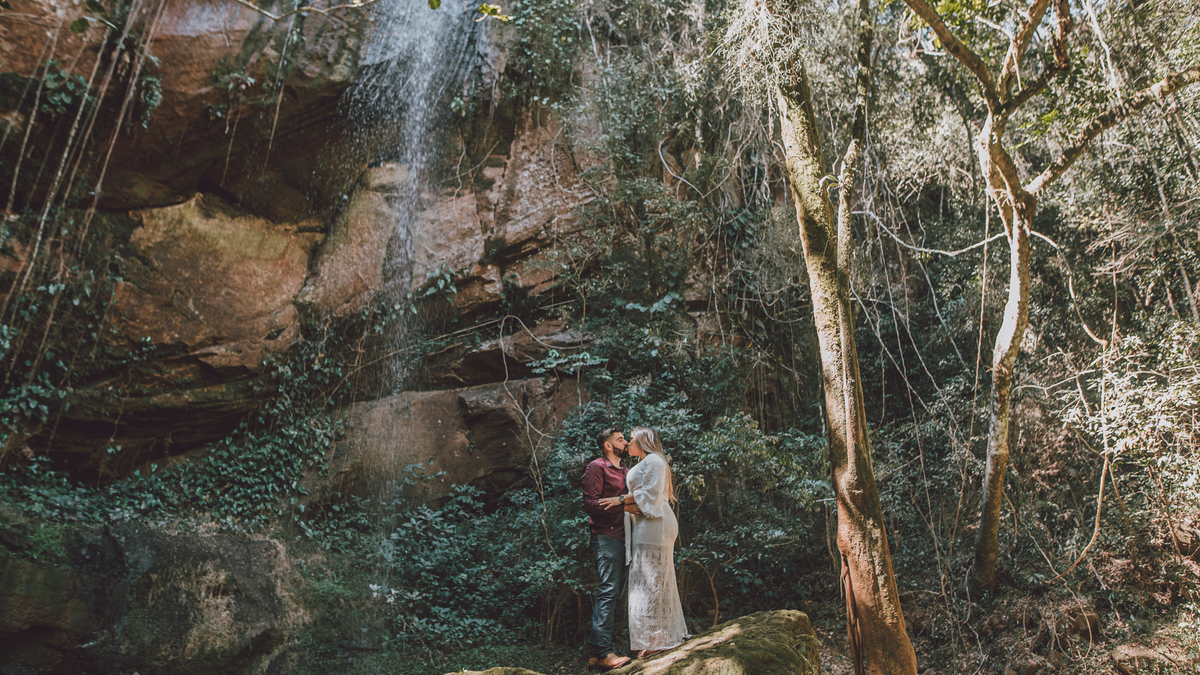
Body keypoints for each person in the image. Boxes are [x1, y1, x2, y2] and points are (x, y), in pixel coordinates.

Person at [600, 426, 688, 659]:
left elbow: (650, 497)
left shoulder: (655, 461)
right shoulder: (642, 463)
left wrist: (618, 500)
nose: (627, 443)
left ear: (642, 441)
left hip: (656, 524)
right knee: (643, 579)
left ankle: (659, 639)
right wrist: (617, 505)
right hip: (643, 523)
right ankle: (650, 639)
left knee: (654, 578)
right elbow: (638, 499)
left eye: (631, 439)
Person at [580, 427, 636, 671]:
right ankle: (604, 653)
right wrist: (625, 507)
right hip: (606, 537)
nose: (626, 442)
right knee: (608, 592)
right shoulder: (597, 467)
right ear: (607, 445)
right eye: (620, 439)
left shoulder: (626, 470)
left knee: (611, 594)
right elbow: (591, 504)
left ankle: (595, 654)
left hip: (626, 537)